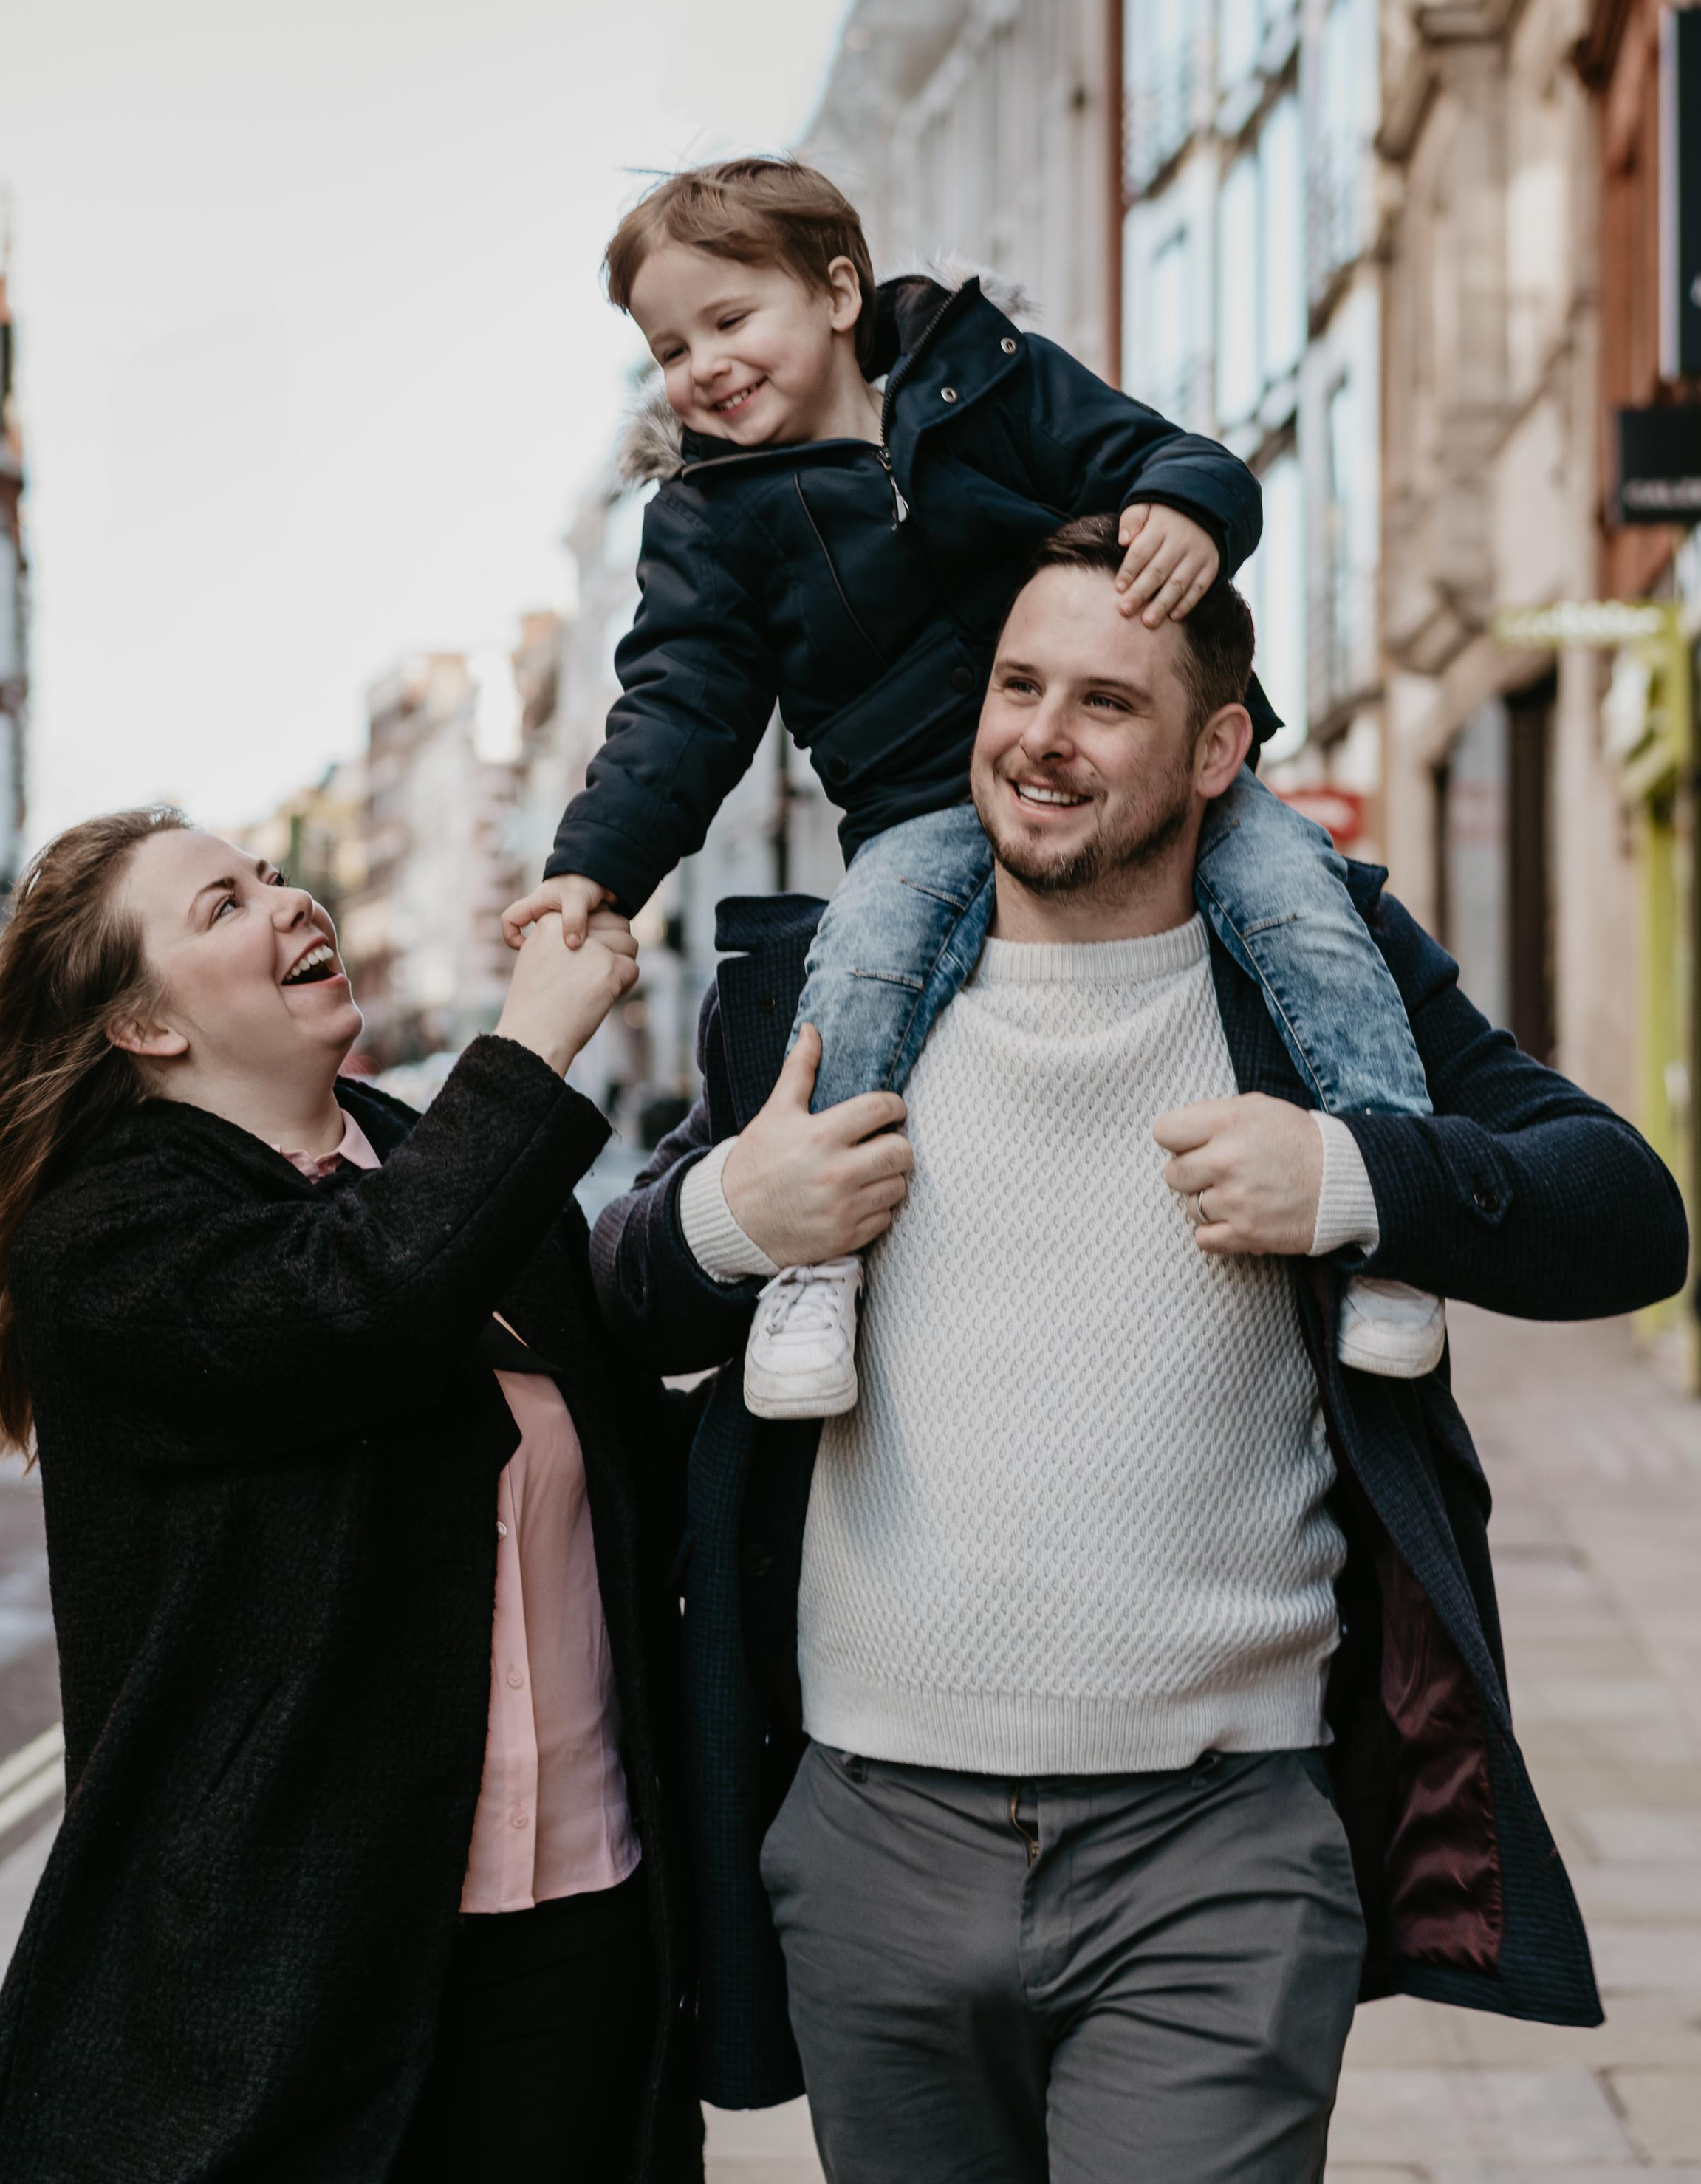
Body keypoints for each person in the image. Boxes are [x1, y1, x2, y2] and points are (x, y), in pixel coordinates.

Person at [591, 517, 1688, 2184]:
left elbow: (1624, 1213)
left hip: (1214, 1851)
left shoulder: (1307, 984)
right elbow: (619, 1291)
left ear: (1214, 749)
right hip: (868, 1835)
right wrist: (735, 1217)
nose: (1040, 735)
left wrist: (1356, 1173)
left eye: (1107, 700)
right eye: (1017, 684)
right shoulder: (820, 999)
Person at [0, 809, 707, 2184]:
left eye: (270, 874)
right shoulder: (113, 1239)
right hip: (308, 1975)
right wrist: (522, 1053)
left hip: (580, 1926)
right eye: (223, 903)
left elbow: (626, 1462)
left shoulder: (428, 1166)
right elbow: (351, 1304)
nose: (286, 902)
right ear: (142, 1019)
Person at [506, 155, 1447, 1419]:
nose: (702, 369)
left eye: (730, 321)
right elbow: (679, 707)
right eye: (669, 349)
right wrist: (597, 863)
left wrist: (1186, 506)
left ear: (839, 291)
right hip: (913, 807)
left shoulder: (992, 376)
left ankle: (1391, 1217)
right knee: (862, 965)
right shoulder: (708, 519)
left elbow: (1167, 454)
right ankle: (816, 1269)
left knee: (1310, 912)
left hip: (1145, 796)